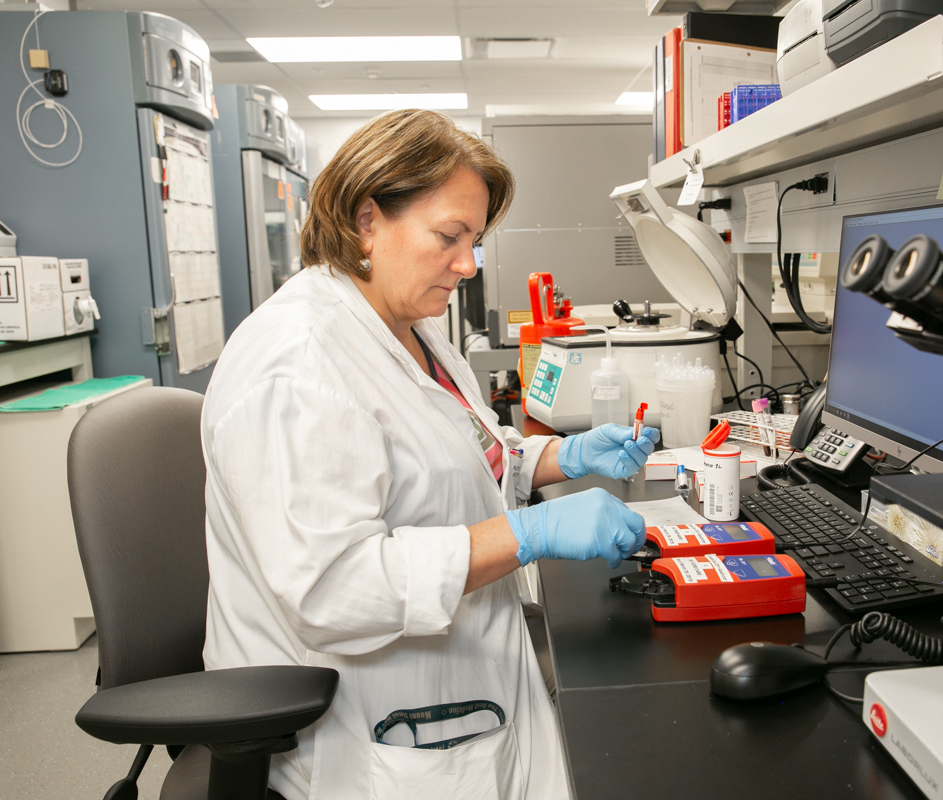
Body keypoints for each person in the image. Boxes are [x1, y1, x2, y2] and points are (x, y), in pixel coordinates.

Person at [200, 109, 660, 799]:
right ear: (366, 221)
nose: (468, 264)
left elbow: (455, 454)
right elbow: (333, 589)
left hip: (459, 669)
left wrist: (559, 458)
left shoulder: (405, 325)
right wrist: (528, 532)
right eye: (449, 236)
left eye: (474, 240)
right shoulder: (298, 366)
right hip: (366, 723)